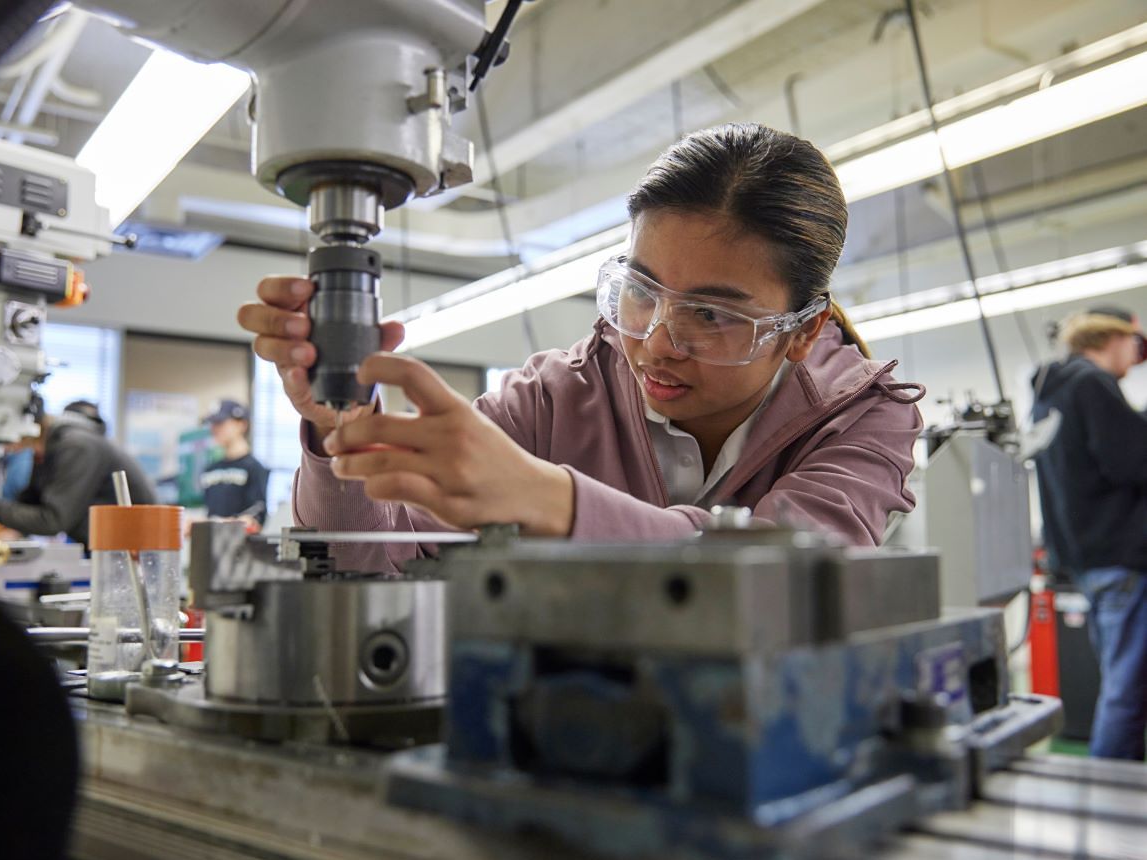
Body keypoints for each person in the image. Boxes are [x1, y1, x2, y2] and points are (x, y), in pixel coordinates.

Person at [239, 122, 925, 572]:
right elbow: (368, 562)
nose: (656, 342)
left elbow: (789, 583)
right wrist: (341, 437)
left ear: (801, 331)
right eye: (641, 291)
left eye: (711, 314)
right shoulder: (550, 400)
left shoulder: (866, 419)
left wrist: (547, 501)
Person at [1031, 306, 1147, 761]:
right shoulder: (1094, 384)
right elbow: (1132, 462)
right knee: (1128, 691)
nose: (1137, 356)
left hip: (1086, 561)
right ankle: (1112, 795)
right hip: (1123, 558)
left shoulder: (1049, 391)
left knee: (1121, 683)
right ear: (1111, 339)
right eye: (1134, 344)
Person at [0, 407, 155, 550]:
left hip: (133, 558)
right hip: (105, 551)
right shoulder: (45, 450)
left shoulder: (77, 446)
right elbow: (27, 505)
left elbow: (52, 521)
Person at [199, 399, 270, 529]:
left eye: (220, 423)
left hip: (241, 545)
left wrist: (241, 522)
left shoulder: (254, 468)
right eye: (212, 423)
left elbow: (258, 512)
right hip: (212, 543)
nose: (214, 429)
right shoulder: (210, 469)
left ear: (241, 425)